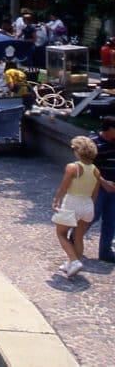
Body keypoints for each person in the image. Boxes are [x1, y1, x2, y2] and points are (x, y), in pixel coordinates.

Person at [51, 136, 101, 278]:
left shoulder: (73, 167)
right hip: (88, 205)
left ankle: (74, 261)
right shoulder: (96, 170)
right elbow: (94, 194)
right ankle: (73, 263)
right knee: (78, 237)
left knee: (61, 233)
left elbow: (64, 187)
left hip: (73, 202)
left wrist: (56, 200)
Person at [86, 117, 115, 262]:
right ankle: (74, 238)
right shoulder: (93, 143)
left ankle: (105, 251)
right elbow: (88, 167)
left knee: (111, 220)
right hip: (98, 186)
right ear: (109, 129)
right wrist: (103, 182)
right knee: (93, 215)